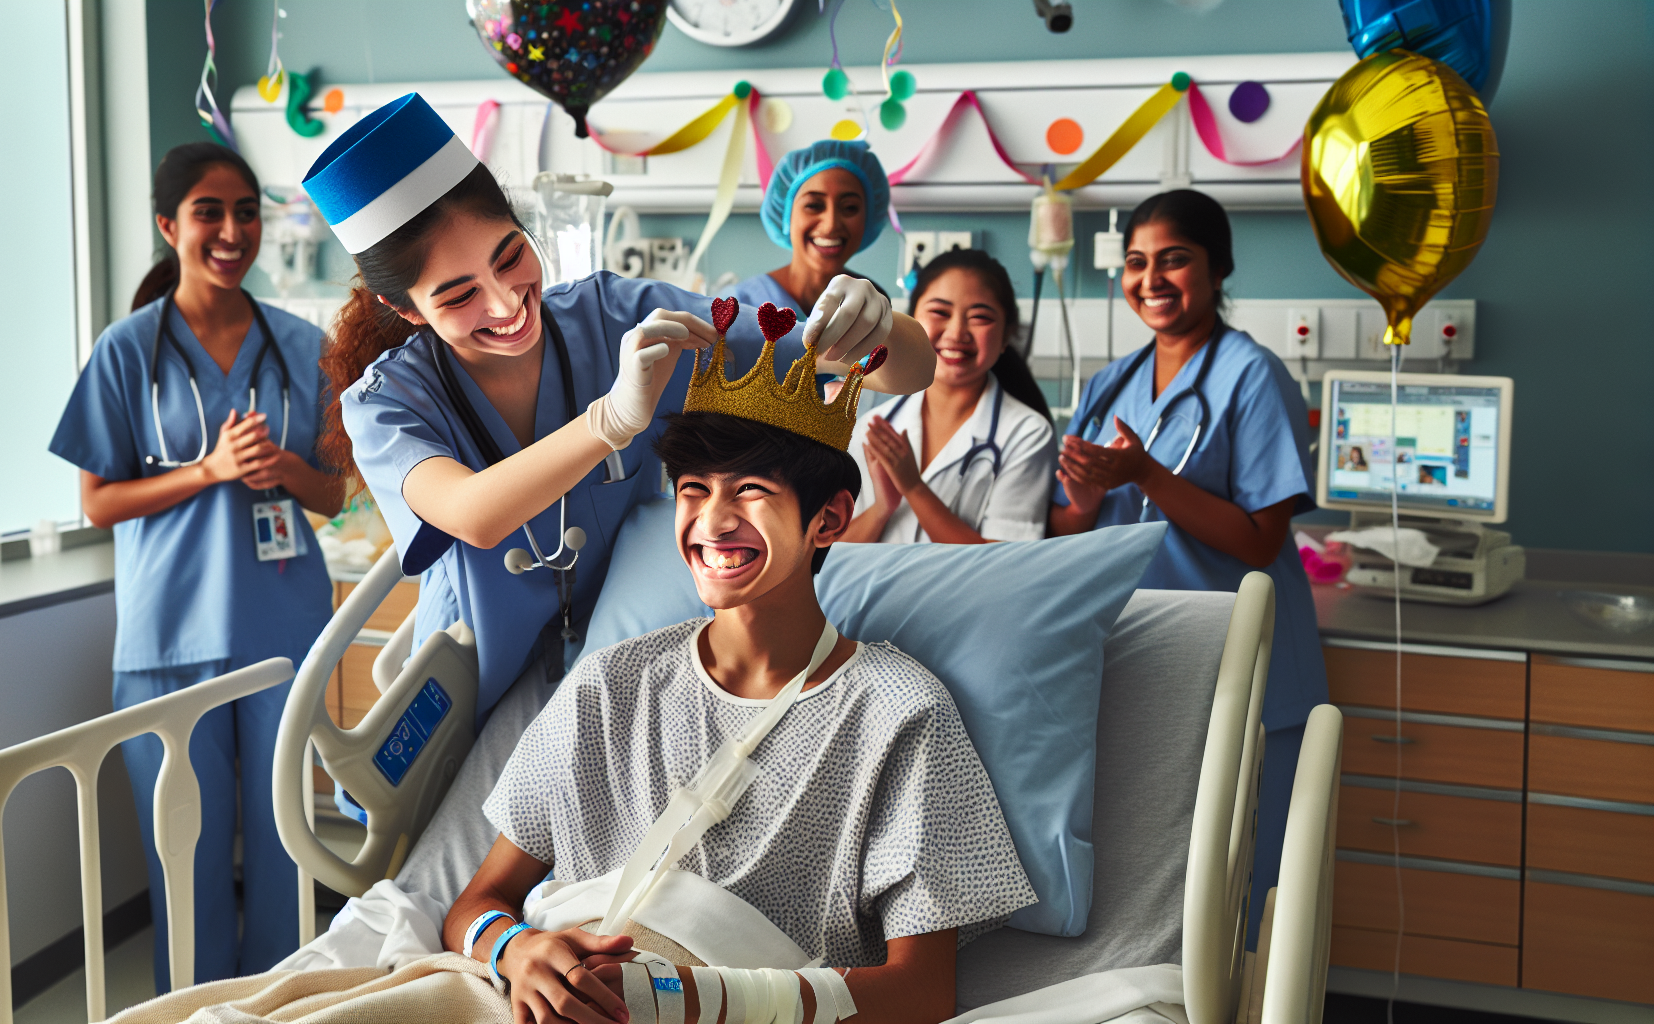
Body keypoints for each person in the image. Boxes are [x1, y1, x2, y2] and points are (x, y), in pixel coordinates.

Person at [304, 95, 933, 871]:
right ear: (405, 309)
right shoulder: (387, 402)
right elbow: (470, 513)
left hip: (629, 664)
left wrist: (884, 326)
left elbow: (895, 367)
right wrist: (609, 421)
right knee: (457, 886)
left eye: (509, 257)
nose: (505, 304)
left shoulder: (616, 317)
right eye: (459, 294)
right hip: (482, 687)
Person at [446, 325, 1034, 1024]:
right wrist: (513, 949)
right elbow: (475, 906)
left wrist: (695, 1002)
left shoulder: (897, 712)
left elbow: (922, 991)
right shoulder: (612, 686)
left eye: (750, 490)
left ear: (829, 520)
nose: (713, 522)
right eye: (693, 490)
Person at [48, 143, 345, 987]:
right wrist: (207, 472)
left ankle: (283, 1001)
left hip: (284, 631)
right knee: (187, 853)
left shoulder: (300, 347)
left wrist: (283, 470)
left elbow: (333, 494)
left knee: (289, 842)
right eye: (209, 212)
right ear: (167, 226)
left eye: (245, 211)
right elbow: (98, 501)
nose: (230, 230)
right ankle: (195, 1007)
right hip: (168, 639)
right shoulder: (126, 352)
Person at [1046, 189, 1327, 945]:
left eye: (1175, 260)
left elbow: (1260, 539)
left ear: (1217, 267)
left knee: (1244, 886)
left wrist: (1145, 476)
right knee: (1162, 886)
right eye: (1137, 263)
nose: (1152, 278)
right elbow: (1072, 522)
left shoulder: (1251, 375)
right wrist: (1084, 487)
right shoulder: (1112, 383)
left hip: (1244, 661)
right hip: (1148, 656)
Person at [845, 248, 1055, 544]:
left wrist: (914, 488)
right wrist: (883, 508)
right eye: (940, 312)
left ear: (1007, 335)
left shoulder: (1027, 434)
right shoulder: (871, 426)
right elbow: (831, 558)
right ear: (910, 322)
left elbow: (1009, 565)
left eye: (980, 317)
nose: (957, 332)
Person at [730, 139, 893, 363]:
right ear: (786, 214)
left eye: (850, 208)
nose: (831, 224)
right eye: (814, 205)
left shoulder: (874, 301)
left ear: (868, 218)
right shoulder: (741, 303)